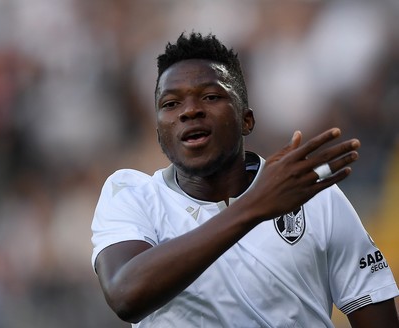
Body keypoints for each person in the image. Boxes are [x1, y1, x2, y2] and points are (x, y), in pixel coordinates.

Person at [90, 32, 399, 327]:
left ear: (246, 120)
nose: (190, 111)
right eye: (171, 104)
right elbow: (125, 295)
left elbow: (376, 316)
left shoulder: (312, 195)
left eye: (210, 96)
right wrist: (254, 206)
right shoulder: (131, 194)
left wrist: (257, 201)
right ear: (160, 134)